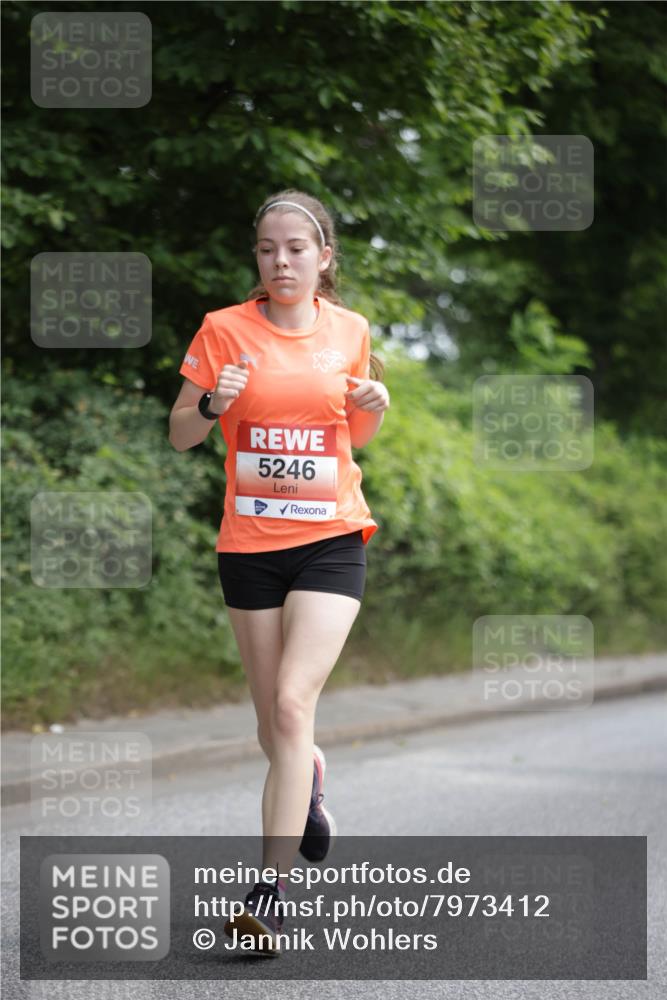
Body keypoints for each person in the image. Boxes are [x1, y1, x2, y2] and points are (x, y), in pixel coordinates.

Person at [169, 189, 389, 954]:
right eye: (267, 248)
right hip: (249, 547)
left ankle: (266, 894)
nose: (281, 260)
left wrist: (376, 403)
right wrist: (208, 402)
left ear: (323, 257)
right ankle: (312, 784)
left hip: (331, 538)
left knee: (294, 706)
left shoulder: (350, 331)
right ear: (256, 257)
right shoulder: (222, 331)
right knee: (274, 728)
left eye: (296, 247)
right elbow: (180, 437)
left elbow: (355, 431)